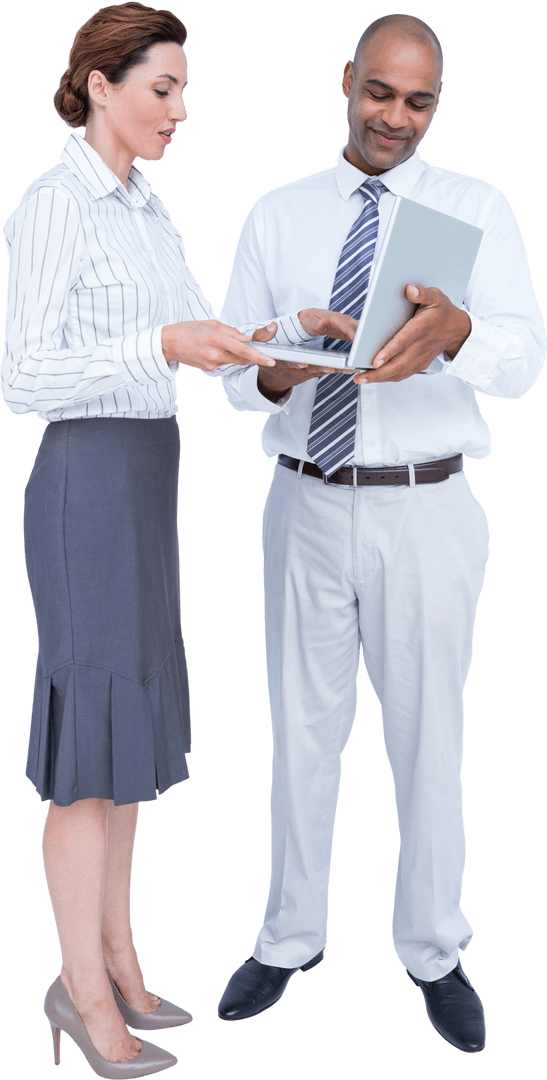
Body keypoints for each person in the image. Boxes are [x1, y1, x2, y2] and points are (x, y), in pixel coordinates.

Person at [214, 13, 545, 1052]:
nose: (396, 117)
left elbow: (524, 356)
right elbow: (234, 370)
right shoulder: (278, 212)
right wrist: (278, 360)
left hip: (426, 505)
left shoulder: (473, 208)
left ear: (431, 106)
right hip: (303, 497)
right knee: (300, 733)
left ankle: (433, 951)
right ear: (345, 80)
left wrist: (457, 335)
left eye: (418, 101)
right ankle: (289, 935)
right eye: (380, 93)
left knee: (426, 737)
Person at [0, 3, 294, 1076]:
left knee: (126, 748)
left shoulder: (148, 212)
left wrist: (279, 346)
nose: (180, 107)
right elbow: (20, 377)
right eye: (162, 87)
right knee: (86, 761)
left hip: (147, 481)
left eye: (182, 88)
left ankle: (120, 954)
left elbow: (201, 345)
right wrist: (156, 340)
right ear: (99, 86)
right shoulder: (51, 208)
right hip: (83, 482)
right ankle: (78, 992)